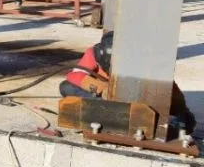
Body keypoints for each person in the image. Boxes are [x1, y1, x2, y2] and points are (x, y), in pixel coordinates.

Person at [62, 30, 196, 133]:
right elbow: (74, 75)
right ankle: (102, 109)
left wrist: (180, 112)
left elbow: (171, 90)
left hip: (134, 99)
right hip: (102, 97)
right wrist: (102, 88)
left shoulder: (145, 61)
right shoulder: (93, 53)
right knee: (66, 87)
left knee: (186, 122)